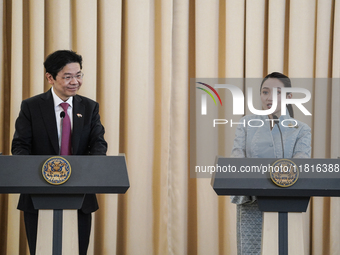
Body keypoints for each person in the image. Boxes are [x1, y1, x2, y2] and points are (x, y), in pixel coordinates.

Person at [11, 50, 107, 255]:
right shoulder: (31, 107)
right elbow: (20, 146)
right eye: (68, 76)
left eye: (79, 75)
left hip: (80, 195)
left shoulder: (89, 107)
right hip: (38, 196)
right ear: (50, 77)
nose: (75, 81)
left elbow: (98, 144)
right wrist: (34, 174)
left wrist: (93, 169)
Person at [230, 72, 311, 255]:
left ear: (289, 97)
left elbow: (301, 164)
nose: (269, 98)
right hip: (251, 203)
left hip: (287, 203)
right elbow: (237, 160)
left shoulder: (301, 129)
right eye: (265, 92)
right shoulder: (246, 123)